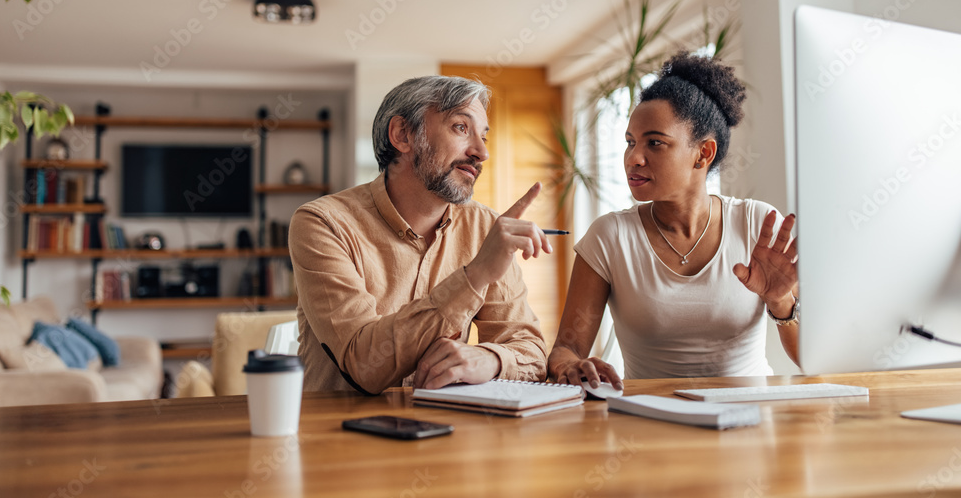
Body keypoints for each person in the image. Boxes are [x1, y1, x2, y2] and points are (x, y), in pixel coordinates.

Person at [548, 52, 800, 389]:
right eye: (630, 142)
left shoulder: (757, 223)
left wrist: (782, 303)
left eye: (655, 143)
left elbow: (811, 358)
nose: (633, 158)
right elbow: (566, 348)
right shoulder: (610, 237)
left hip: (750, 423)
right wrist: (572, 367)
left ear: (703, 153)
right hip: (651, 425)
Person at [290, 75, 551, 394]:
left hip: (448, 433)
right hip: (339, 435)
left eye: (484, 136)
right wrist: (477, 274)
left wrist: (490, 360)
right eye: (461, 127)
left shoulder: (486, 229)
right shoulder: (322, 223)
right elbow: (365, 365)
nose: (481, 152)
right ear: (402, 135)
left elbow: (533, 356)